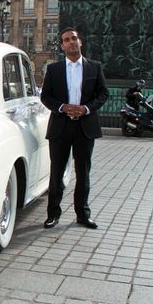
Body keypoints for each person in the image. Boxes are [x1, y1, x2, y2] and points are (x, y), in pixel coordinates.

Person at [40, 27, 109, 230]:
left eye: (74, 38)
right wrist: (62, 107)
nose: (71, 42)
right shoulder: (54, 69)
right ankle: (53, 214)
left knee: (83, 172)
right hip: (60, 127)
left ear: (81, 42)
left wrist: (87, 108)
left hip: (84, 127)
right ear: (62, 46)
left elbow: (103, 93)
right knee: (57, 173)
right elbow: (45, 96)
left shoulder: (94, 67)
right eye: (67, 40)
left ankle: (83, 215)